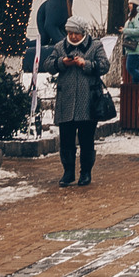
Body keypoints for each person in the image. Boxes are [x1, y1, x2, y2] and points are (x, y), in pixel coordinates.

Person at [51, 14, 109, 187]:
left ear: (83, 32)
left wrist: (87, 64)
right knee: (66, 140)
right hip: (66, 101)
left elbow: (105, 65)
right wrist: (62, 62)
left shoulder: (95, 45)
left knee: (86, 140)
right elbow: (48, 64)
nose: (73, 36)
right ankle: (68, 172)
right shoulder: (60, 47)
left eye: (76, 33)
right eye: (70, 33)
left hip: (88, 102)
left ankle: (85, 173)